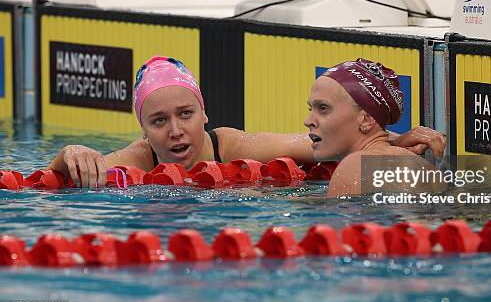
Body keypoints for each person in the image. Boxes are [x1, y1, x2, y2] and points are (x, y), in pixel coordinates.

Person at [48, 56, 445, 196]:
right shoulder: (136, 159)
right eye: (158, 121)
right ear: (143, 129)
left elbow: (320, 144)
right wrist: (69, 154)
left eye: (186, 114)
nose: (174, 130)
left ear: (205, 113)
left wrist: (390, 138)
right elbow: (63, 176)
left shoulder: (235, 147)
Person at [304, 58, 445, 197]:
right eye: (311, 109)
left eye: (323, 108)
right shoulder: (426, 170)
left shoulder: (357, 166)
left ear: (366, 120)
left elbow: (336, 219)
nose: (307, 121)